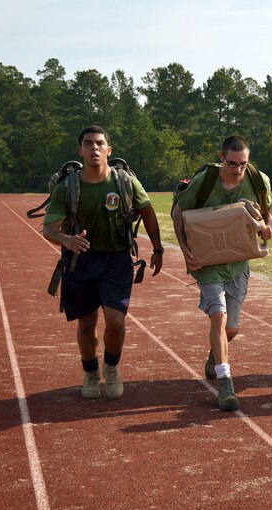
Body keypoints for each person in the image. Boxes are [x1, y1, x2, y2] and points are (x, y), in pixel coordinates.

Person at [43, 125, 163, 399]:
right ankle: (90, 372)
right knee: (86, 323)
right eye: (88, 144)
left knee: (116, 321)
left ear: (109, 150)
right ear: (81, 150)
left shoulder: (124, 182)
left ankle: (111, 367)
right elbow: (49, 228)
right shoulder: (68, 187)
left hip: (116, 259)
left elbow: (147, 211)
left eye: (99, 144)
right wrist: (66, 240)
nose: (94, 148)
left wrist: (158, 249)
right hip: (80, 261)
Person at [172, 135, 272, 411]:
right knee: (218, 317)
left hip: (239, 262)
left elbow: (268, 212)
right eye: (232, 163)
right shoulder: (204, 182)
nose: (238, 169)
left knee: (231, 328)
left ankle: (215, 355)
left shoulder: (257, 180)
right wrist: (185, 251)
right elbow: (179, 213)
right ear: (221, 157)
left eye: (243, 163)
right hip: (208, 263)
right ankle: (225, 382)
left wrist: (267, 226)